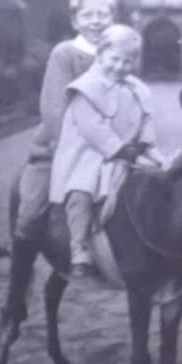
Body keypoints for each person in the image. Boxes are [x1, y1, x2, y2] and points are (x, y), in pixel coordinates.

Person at [49, 24, 165, 284]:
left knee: (160, 178)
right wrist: (124, 151)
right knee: (80, 191)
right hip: (88, 155)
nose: (120, 66)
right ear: (100, 55)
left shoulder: (137, 88)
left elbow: (147, 118)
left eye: (128, 61)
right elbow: (94, 129)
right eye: (114, 59)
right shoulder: (85, 88)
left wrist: (146, 144)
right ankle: (79, 247)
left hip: (128, 152)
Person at [14, 0, 116, 243]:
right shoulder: (65, 53)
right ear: (75, 20)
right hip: (63, 145)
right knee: (32, 212)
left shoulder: (117, 55)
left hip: (109, 144)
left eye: (102, 15)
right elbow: (54, 108)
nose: (96, 22)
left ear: (112, 18)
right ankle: (23, 247)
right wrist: (71, 148)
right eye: (88, 15)